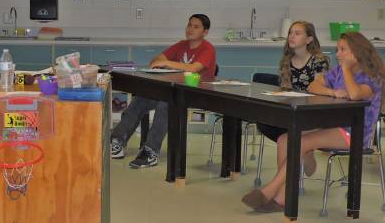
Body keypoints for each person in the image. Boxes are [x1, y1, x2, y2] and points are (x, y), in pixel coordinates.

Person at [242, 32, 384, 213]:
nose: (338, 54)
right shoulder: (338, 71)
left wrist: (347, 70)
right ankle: (284, 194)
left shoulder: (372, 76)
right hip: (332, 126)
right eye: (337, 49)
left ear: (357, 52)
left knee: (302, 142)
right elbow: (313, 85)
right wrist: (332, 92)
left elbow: (356, 94)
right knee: (284, 140)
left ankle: (271, 193)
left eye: (343, 50)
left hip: (355, 133)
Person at [111, 14, 217, 168]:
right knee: (141, 98)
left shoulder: (208, 49)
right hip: (173, 90)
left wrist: (167, 63)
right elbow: (154, 62)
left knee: (165, 104)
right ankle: (117, 141)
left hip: (196, 94)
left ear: (205, 32)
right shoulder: (181, 45)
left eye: (196, 26)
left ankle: (150, 151)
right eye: (189, 25)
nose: (190, 29)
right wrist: (164, 63)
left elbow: (194, 68)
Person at [256, 21, 329, 175]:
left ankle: (302, 149)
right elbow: (285, 89)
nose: (291, 36)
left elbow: (320, 91)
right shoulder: (286, 61)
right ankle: (302, 149)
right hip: (292, 111)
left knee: (289, 135)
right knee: (264, 124)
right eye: (290, 33)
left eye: (297, 33)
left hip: (311, 112)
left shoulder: (319, 61)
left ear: (309, 39)